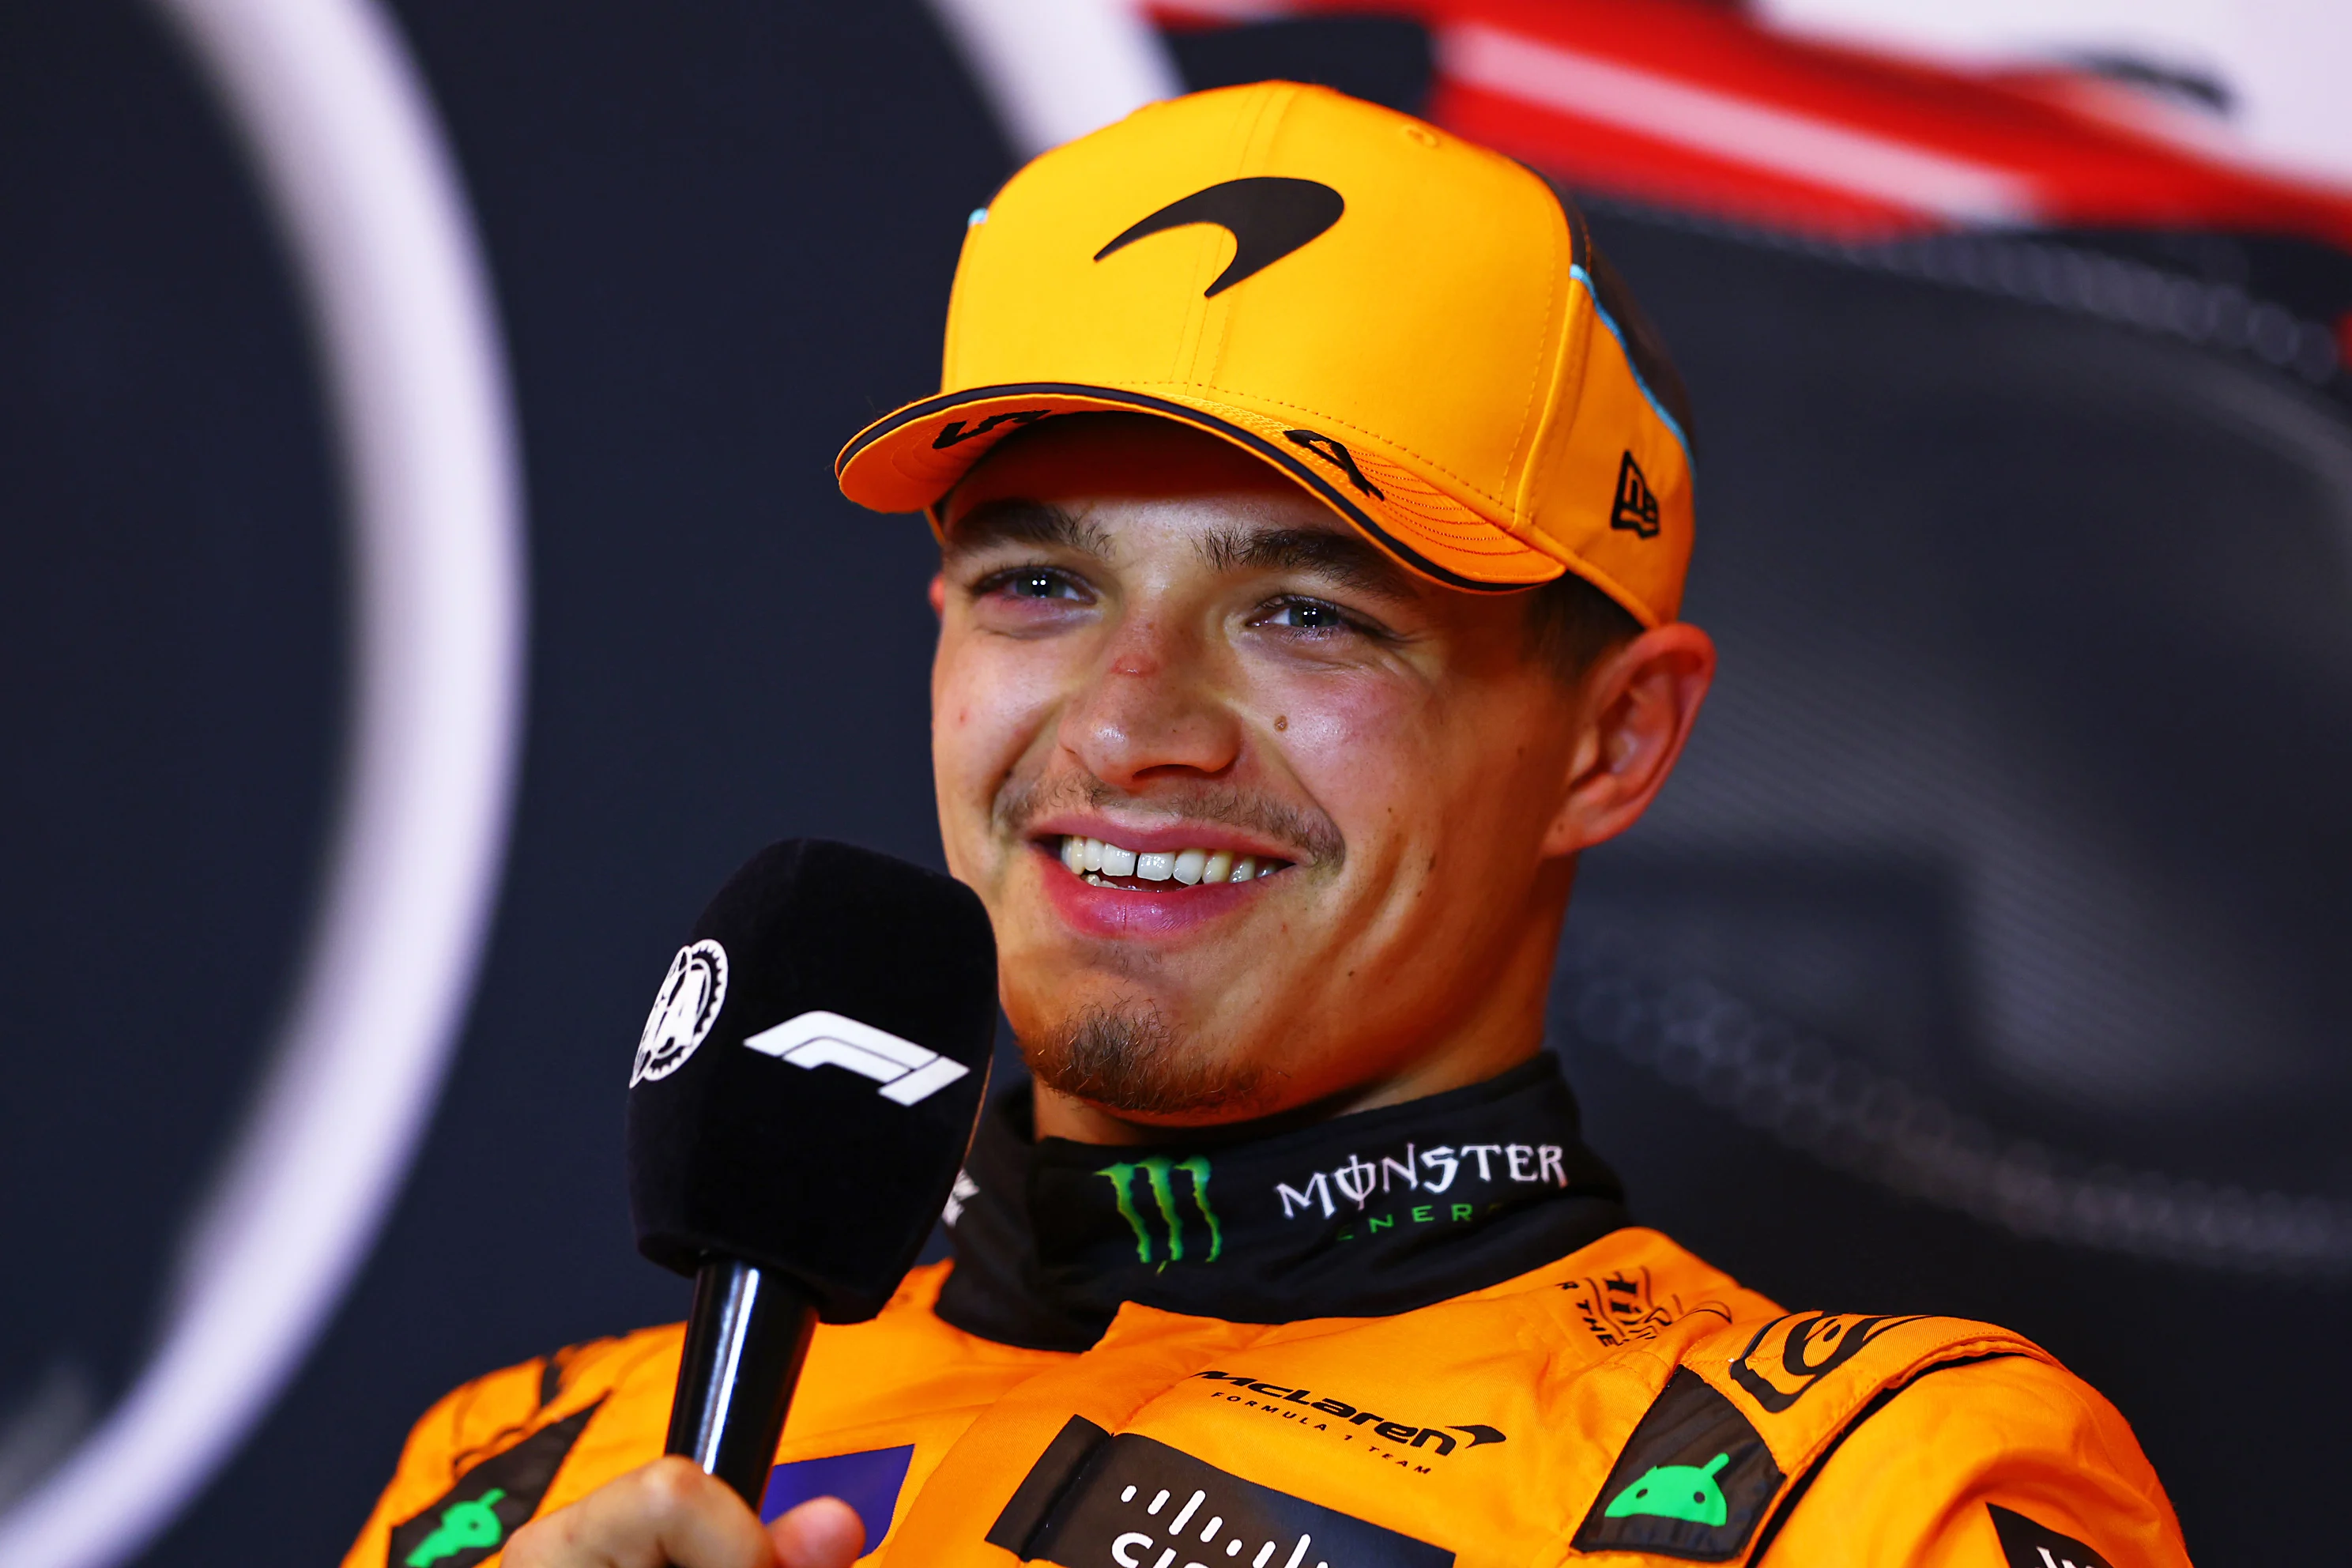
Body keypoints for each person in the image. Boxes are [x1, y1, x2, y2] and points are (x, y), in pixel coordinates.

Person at [342, 82, 2188, 1568]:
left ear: (1611, 744)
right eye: (1042, 583)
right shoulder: (519, 1481)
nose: (1132, 723)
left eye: (1310, 612)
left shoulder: (1866, 1495)